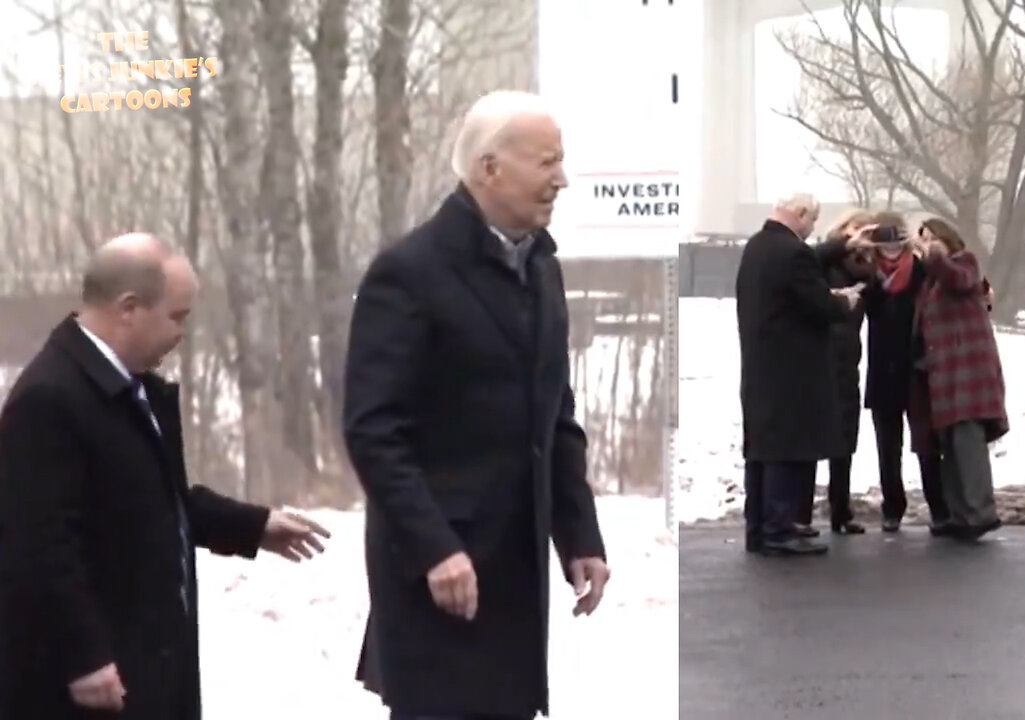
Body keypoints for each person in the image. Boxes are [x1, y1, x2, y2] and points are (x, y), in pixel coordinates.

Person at [342, 90, 610, 720]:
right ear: (490, 168)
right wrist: (434, 546)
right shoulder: (409, 273)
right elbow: (373, 431)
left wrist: (578, 533)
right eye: (546, 163)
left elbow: (555, 415)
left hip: (515, 570)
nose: (561, 180)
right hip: (438, 574)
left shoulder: (542, 266)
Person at [0, 233, 330, 720]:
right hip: (84, 686)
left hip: (147, 667)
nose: (182, 333)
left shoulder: (135, 391)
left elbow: (157, 501)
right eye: (177, 316)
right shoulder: (50, 398)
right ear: (129, 308)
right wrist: (84, 659)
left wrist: (253, 525)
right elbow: (38, 546)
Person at [736, 193, 862, 556]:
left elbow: (801, 270)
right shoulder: (792, 253)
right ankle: (780, 529)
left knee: (761, 450)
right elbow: (818, 303)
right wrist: (844, 301)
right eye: (813, 221)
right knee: (785, 449)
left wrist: (842, 245)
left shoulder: (759, 247)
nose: (813, 229)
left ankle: (759, 528)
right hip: (790, 371)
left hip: (761, 368)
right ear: (802, 214)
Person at [846, 212, 950, 534]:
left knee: (927, 446)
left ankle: (939, 507)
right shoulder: (869, 276)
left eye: (896, 245)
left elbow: (958, 280)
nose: (891, 252)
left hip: (917, 369)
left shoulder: (921, 272)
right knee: (886, 448)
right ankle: (892, 507)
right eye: (884, 246)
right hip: (882, 370)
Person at [910, 219, 1007, 541]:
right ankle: (960, 514)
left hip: (969, 373)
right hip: (945, 373)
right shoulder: (930, 281)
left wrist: (933, 253)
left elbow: (959, 278)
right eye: (922, 239)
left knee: (968, 444)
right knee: (950, 446)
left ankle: (980, 512)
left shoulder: (964, 263)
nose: (926, 245)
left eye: (933, 238)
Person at [796, 208, 876, 536]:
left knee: (845, 439)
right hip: (820, 357)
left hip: (848, 361)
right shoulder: (820, 262)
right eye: (853, 231)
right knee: (813, 439)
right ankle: (801, 514)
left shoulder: (865, 270)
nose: (857, 238)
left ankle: (840, 510)